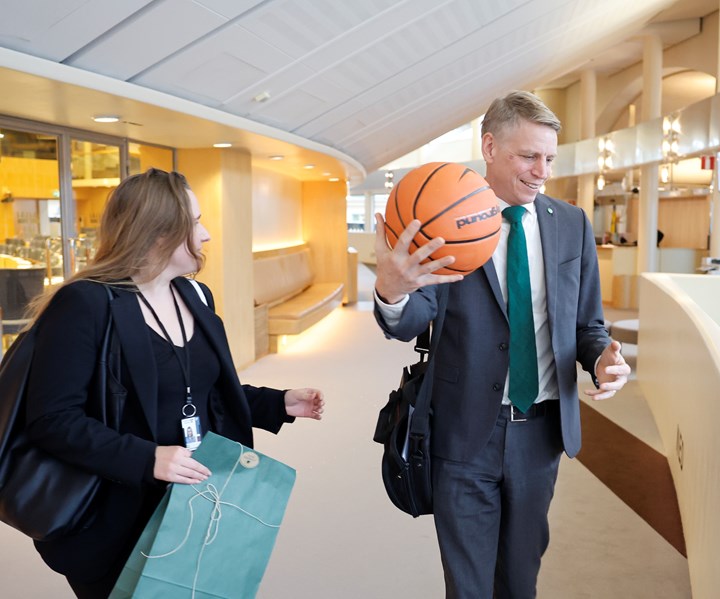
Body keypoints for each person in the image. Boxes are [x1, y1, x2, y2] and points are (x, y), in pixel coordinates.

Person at [21, 168, 326, 598]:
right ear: (160, 233)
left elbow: (203, 394)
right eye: (196, 222)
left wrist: (277, 404)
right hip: (115, 513)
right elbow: (53, 420)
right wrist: (147, 458)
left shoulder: (196, 296)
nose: (206, 236)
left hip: (193, 502)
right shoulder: (87, 303)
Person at [372, 90, 630, 598]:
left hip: (540, 435)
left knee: (519, 582)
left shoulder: (571, 224)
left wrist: (602, 357)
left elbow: (586, 324)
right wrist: (392, 290)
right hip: (464, 433)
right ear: (490, 147)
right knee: (468, 588)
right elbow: (410, 321)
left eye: (550, 158)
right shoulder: (444, 223)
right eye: (528, 156)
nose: (542, 172)